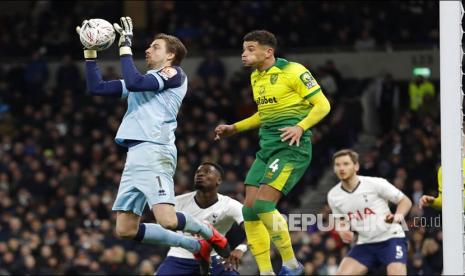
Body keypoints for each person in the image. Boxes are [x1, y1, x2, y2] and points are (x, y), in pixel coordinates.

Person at [76, 16, 230, 267]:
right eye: (148, 46)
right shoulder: (146, 82)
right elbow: (97, 88)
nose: (148, 49)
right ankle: (193, 245)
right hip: (135, 155)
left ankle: (207, 231)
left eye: (155, 47)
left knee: (167, 219)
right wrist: (90, 51)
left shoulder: (173, 74)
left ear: (170, 56)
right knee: (125, 229)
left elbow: (135, 81)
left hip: (155, 151)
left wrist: (125, 47)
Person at [215, 30, 331, 275]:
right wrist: (234, 128)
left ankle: (290, 264)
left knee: (264, 205)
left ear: (268, 51)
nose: (244, 54)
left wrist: (301, 126)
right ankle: (266, 271)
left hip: (291, 147)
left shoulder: (294, 71)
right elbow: (263, 115)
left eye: (250, 49)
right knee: (249, 209)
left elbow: (323, 105)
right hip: (266, 148)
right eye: (243, 49)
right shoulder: (256, 77)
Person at [327, 149, 412, 275]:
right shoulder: (333, 195)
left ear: (356, 166)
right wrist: (342, 230)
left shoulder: (375, 183)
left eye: (345, 164)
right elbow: (340, 220)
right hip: (365, 243)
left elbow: (405, 201)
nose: (341, 168)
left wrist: (397, 217)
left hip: (391, 238)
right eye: (337, 165)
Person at [156, 162, 247, 275]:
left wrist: (241, 248)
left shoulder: (230, 205)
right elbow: (161, 226)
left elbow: (254, 229)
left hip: (215, 257)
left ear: (218, 180)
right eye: (198, 172)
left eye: (207, 172)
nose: (200, 174)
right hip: (180, 256)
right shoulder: (177, 202)